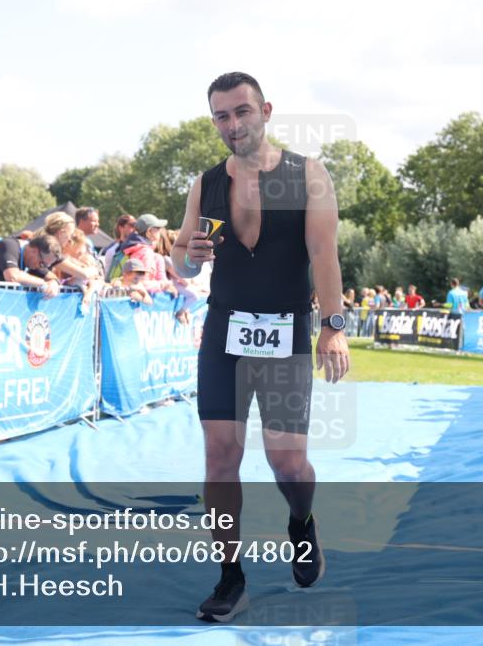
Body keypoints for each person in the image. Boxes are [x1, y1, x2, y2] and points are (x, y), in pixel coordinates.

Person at [171, 72, 349, 622]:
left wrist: (333, 325)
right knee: (221, 456)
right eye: (221, 116)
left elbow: (324, 256)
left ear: (265, 111)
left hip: (287, 331)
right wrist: (190, 255)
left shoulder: (307, 175)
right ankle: (230, 577)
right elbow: (181, 256)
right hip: (224, 332)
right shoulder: (205, 184)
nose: (233, 125)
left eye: (241, 112)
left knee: (287, 462)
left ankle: (301, 523)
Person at [0, 234, 62, 298]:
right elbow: (12, 276)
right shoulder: (8, 246)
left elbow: (52, 277)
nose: (42, 267)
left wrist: (53, 283)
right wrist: (44, 284)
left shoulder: (35, 262)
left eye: (47, 265)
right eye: (43, 263)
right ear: (34, 251)